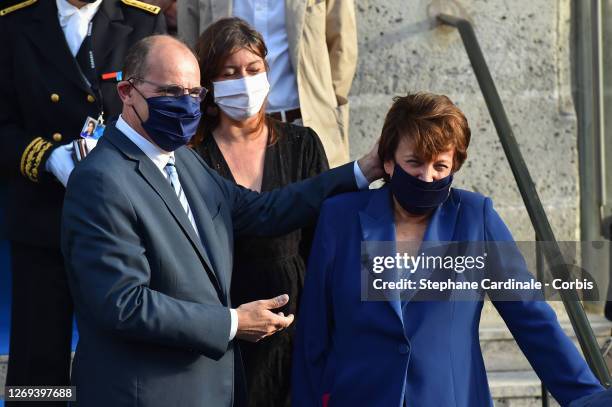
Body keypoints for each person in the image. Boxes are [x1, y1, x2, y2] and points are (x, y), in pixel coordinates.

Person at [61, 34, 381, 407]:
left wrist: (363, 170)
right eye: (170, 92)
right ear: (127, 91)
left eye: (194, 94)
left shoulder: (183, 159)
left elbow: (263, 210)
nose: (185, 104)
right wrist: (232, 323)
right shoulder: (101, 179)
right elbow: (124, 304)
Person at [292, 93, 605, 407]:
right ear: (388, 161)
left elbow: (529, 315)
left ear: (455, 165)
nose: (427, 177)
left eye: (440, 166)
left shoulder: (475, 218)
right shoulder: (339, 218)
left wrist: (587, 397)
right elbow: (313, 334)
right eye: (414, 162)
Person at [0, 0, 165, 402]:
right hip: (41, 218)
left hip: (116, 219)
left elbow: (161, 114)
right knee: (38, 363)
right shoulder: (14, 23)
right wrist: (46, 157)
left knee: (117, 348)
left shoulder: (144, 20)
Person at [192, 17, 329, 407]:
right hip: (225, 322)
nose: (244, 81)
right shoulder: (192, 156)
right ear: (209, 84)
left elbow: (322, 239)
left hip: (296, 321)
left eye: (254, 70)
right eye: (230, 72)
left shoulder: (302, 143)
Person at [178, 0, 357, 168]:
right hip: (227, 134)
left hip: (306, 122)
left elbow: (342, 46)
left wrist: (327, 104)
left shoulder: (309, 143)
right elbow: (190, 50)